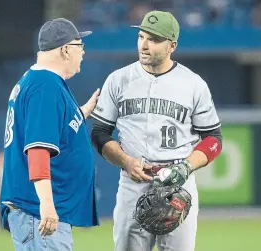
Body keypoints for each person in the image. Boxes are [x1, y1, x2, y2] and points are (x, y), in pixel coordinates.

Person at [91, 10, 222, 251]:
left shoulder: (193, 84)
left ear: (172, 45)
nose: (144, 45)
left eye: (153, 39)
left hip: (178, 186)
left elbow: (213, 139)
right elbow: (99, 133)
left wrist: (186, 167)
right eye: (141, 37)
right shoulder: (118, 80)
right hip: (133, 182)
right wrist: (126, 161)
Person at [0, 18, 100, 251]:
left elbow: (53, 129)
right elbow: (37, 148)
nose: (82, 52)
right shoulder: (46, 86)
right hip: (38, 212)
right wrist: (46, 204)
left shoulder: (35, 79)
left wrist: (83, 112)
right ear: (65, 49)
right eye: (79, 46)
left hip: (33, 212)